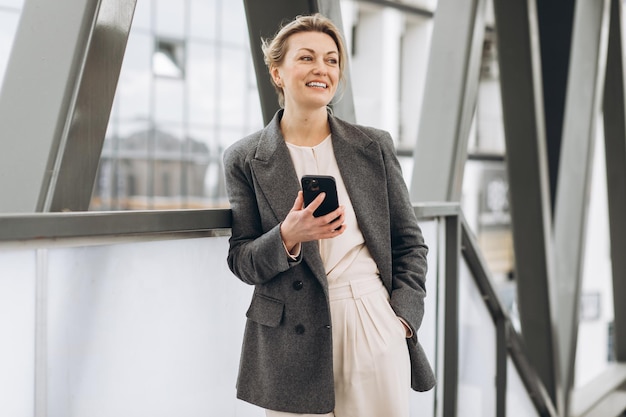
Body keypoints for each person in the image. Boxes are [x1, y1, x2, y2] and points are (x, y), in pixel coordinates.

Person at [223, 13, 435, 417]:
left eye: (332, 60)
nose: (322, 68)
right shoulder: (244, 158)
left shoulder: (373, 146)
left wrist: (401, 320)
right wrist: (287, 235)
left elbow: (410, 243)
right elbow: (242, 260)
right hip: (289, 336)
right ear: (277, 73)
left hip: (371, 320)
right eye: (306, 58)